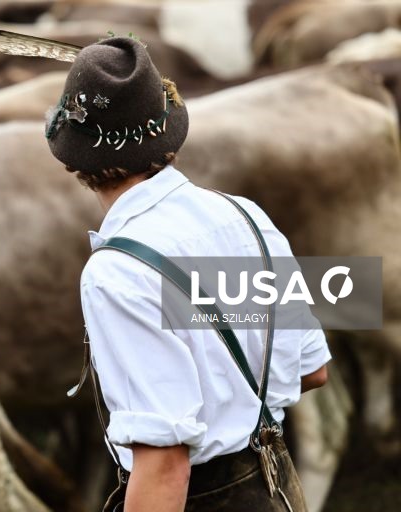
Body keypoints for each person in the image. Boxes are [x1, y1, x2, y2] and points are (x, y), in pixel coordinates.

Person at [42, 37, 330, 511]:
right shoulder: (246, 218)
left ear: (74, 158)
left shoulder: (116, 273)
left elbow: (165, 462)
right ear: (169, 132)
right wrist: (232, 403)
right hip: (278, 488)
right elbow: (312, 369)